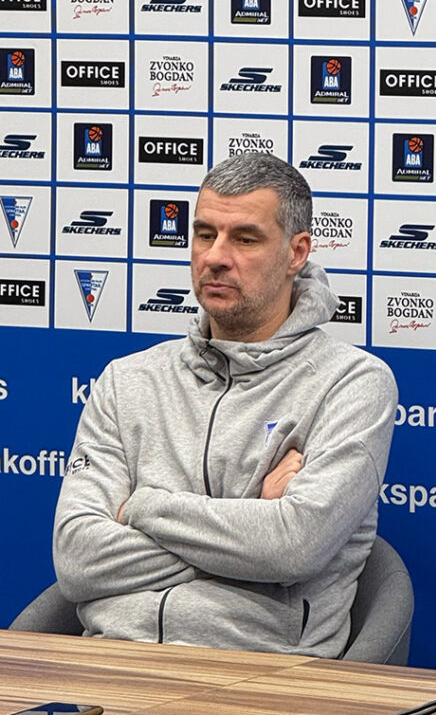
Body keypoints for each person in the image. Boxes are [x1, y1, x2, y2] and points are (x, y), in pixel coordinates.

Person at [52, 154, 398, 656]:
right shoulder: (127, 381)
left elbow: (293, 547)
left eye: (245, 239)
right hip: (112, 660)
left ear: (296, 252)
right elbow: (77, 559)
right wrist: (252, 521)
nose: (215, 256)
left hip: (264, 673)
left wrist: (143, 508)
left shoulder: (352, 382)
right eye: (204, 234)